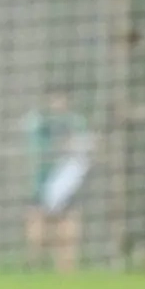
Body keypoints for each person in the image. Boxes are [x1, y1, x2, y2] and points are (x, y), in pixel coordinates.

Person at [24, 90, 90, 274]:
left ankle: (66, 271)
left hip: (66, 187)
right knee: (37, 232)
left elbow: (82, 148)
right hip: (43, 185)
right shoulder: (39, 122)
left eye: (61, 98)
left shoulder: (75, 122)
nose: (58, 103)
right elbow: (36, 147)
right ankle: (34, 268)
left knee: (68, 233)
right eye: (54, 98)